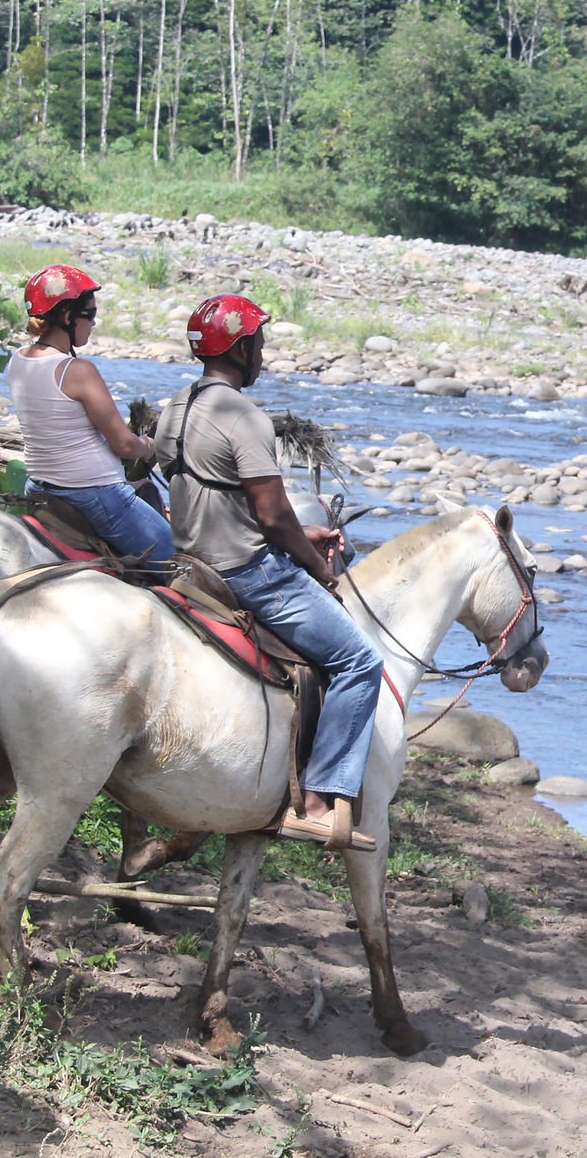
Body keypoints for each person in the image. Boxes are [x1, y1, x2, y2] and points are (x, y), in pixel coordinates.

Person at [152, 293, 384, 851]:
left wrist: (298, 532)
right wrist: (316, 565)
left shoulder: (176, 407)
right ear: (241, 347)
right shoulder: (244, 416)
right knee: (360, 660)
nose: (263, 352)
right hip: (245, 572)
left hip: (186, 563)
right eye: (258, 341)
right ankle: (318, 797)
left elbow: (209, 492)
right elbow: (275, 516)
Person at [7, 265, 173, 570]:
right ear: (68, 317)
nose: (94, 323)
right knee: (177, 561)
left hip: (40, 488)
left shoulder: (17, 361)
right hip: (96, 496)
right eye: (91, 314)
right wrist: (149, 445)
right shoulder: (77, 371)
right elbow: (123, 445)